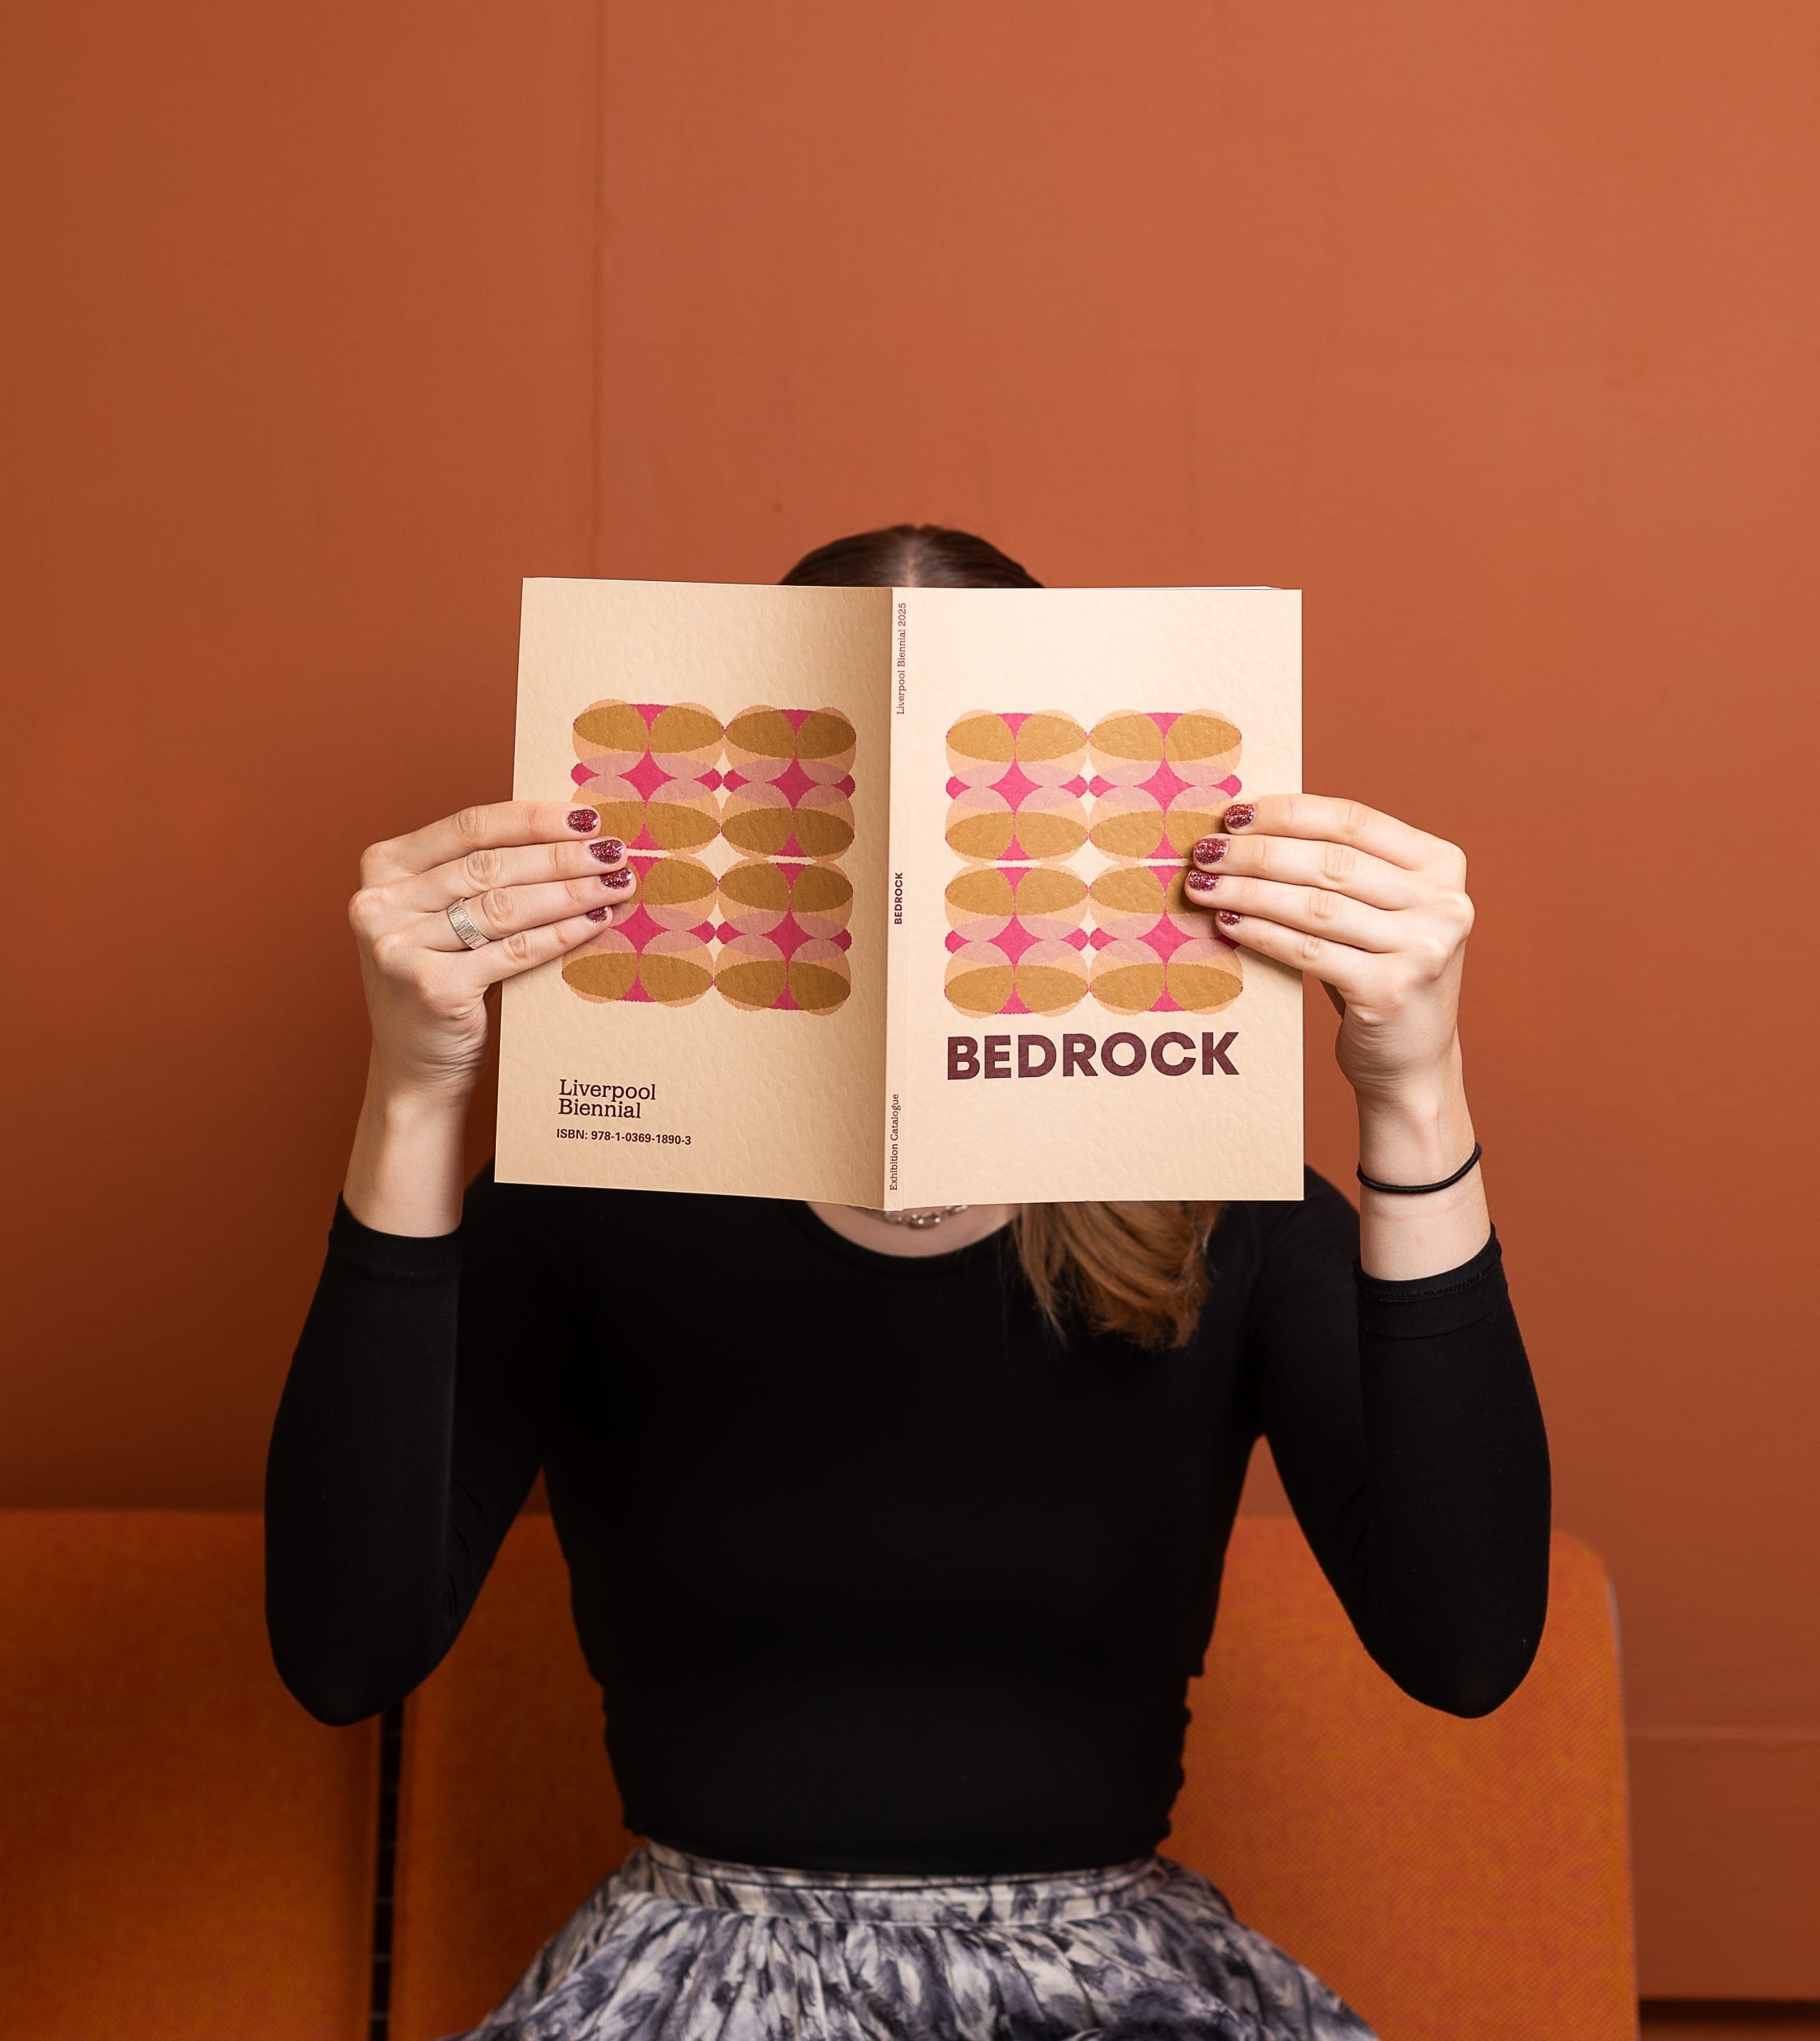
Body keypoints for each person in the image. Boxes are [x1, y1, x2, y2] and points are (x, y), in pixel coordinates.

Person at [265, 524, 1549, 2041]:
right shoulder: (590, 1202)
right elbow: (344, 1651)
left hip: (1116, 1995)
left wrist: (1416, 1087)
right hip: (693, 1988)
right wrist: (415, 1092)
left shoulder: (1231, 1214)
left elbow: (1467, 1649)